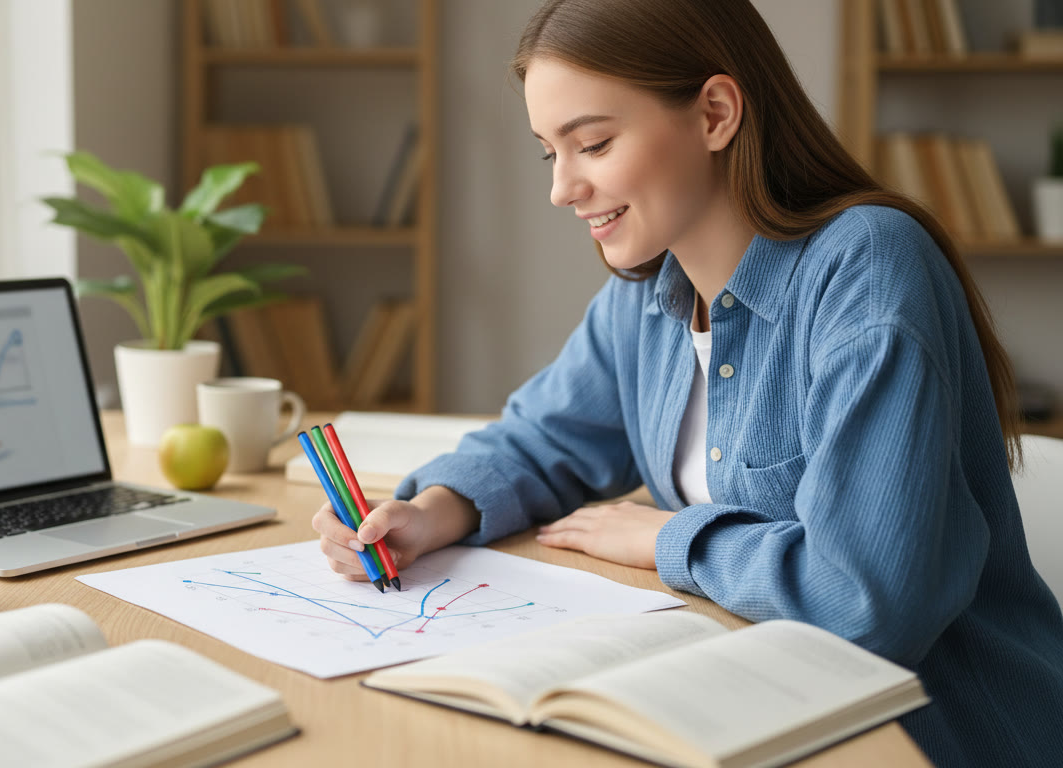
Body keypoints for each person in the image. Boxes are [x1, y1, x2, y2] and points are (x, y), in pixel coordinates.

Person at [310, 0, 1063, 764]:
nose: (562, 188)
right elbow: (543, 440)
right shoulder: (645, 296)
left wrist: (671, 538)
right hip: (754, 705)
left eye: (593, 144)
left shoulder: (866, 267)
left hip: (935, 736)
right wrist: (430, 513)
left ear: (714, 114)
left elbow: (866, 602)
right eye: (549, 153)